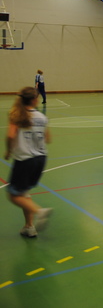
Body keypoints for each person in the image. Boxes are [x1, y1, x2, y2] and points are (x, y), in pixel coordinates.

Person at [4, 87, 53, 238]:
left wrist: (9, 151)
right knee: (24, 192)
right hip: (41, 159)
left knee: (13, 195)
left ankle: (39, 211)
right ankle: (29, 227)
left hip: (25, 160)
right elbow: (48, 139)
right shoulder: (42, 117)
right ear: (34, 100)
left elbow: (10, 135)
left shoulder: (17, 115)